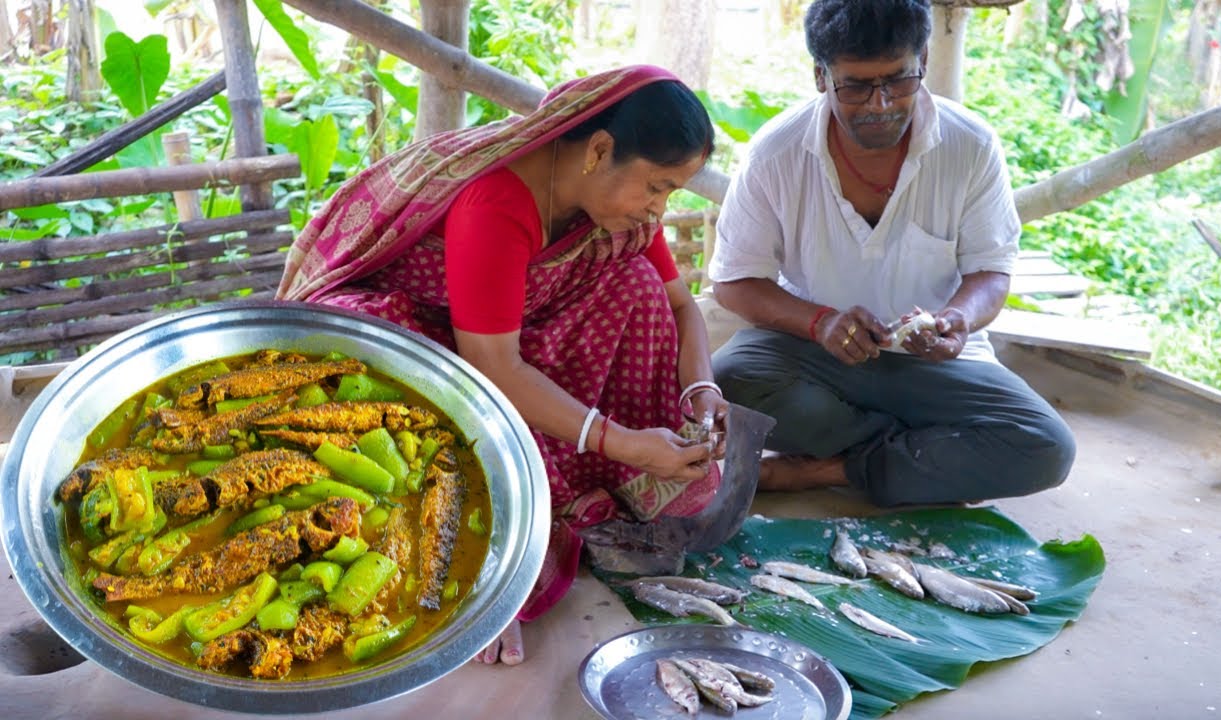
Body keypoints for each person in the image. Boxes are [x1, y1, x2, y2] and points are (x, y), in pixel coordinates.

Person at [277, 66, 728, 666]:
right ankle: (476, 547)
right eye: (657, 187)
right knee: (388, 357)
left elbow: (679, 305)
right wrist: (625, 442)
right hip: (427, 344)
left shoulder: (618, 214)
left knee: (636, 280)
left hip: (498, 336)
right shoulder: (497, 199)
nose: (657, 209)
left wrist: (701, 386)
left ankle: (590, 482)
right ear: (598, 150)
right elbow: (491, 371)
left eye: (671, 193)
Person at [708, 0, 1075, 506]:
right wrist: (820, 323)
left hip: (937, 367)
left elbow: (990, 271)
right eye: (856, 86)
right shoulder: (776, 152)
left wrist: (958, 319)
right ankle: (921, 457)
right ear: (820, 75)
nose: (881, 104)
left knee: (1047, 448)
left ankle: (831, 468)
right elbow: (733, 282)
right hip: (815, 358)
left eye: (899, 81)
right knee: (730, 378)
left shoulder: (970, 146)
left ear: (922, 58)